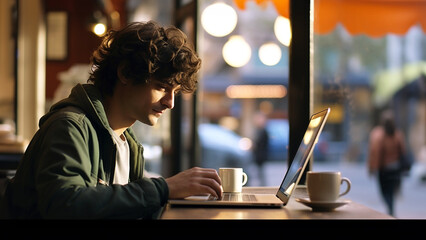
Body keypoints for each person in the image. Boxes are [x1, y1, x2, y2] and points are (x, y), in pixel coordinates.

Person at [0, 21, 222, 219]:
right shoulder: (70, 126)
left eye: (174, 91)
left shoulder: (128, 142)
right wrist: (163, 189)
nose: (170, 102)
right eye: (161, 87)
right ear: (125, 73)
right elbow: (64, 204)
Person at [368, 110, 406, 216]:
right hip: (395, 169)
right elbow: (403, 151)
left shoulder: (378, 135)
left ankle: (391, 212)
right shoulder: (398, 135)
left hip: (384, 169)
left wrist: (372, 168)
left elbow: (374, 153)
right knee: (391, 193)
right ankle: (391, 211)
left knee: (385, 193)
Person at [253, 112, 269, 186]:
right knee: (260, 173)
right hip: (259, 156)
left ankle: (263, 185)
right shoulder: (259, 130)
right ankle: (262, 185)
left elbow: (260, 144)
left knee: (261, 173)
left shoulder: (263, 131)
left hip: (261, 156)